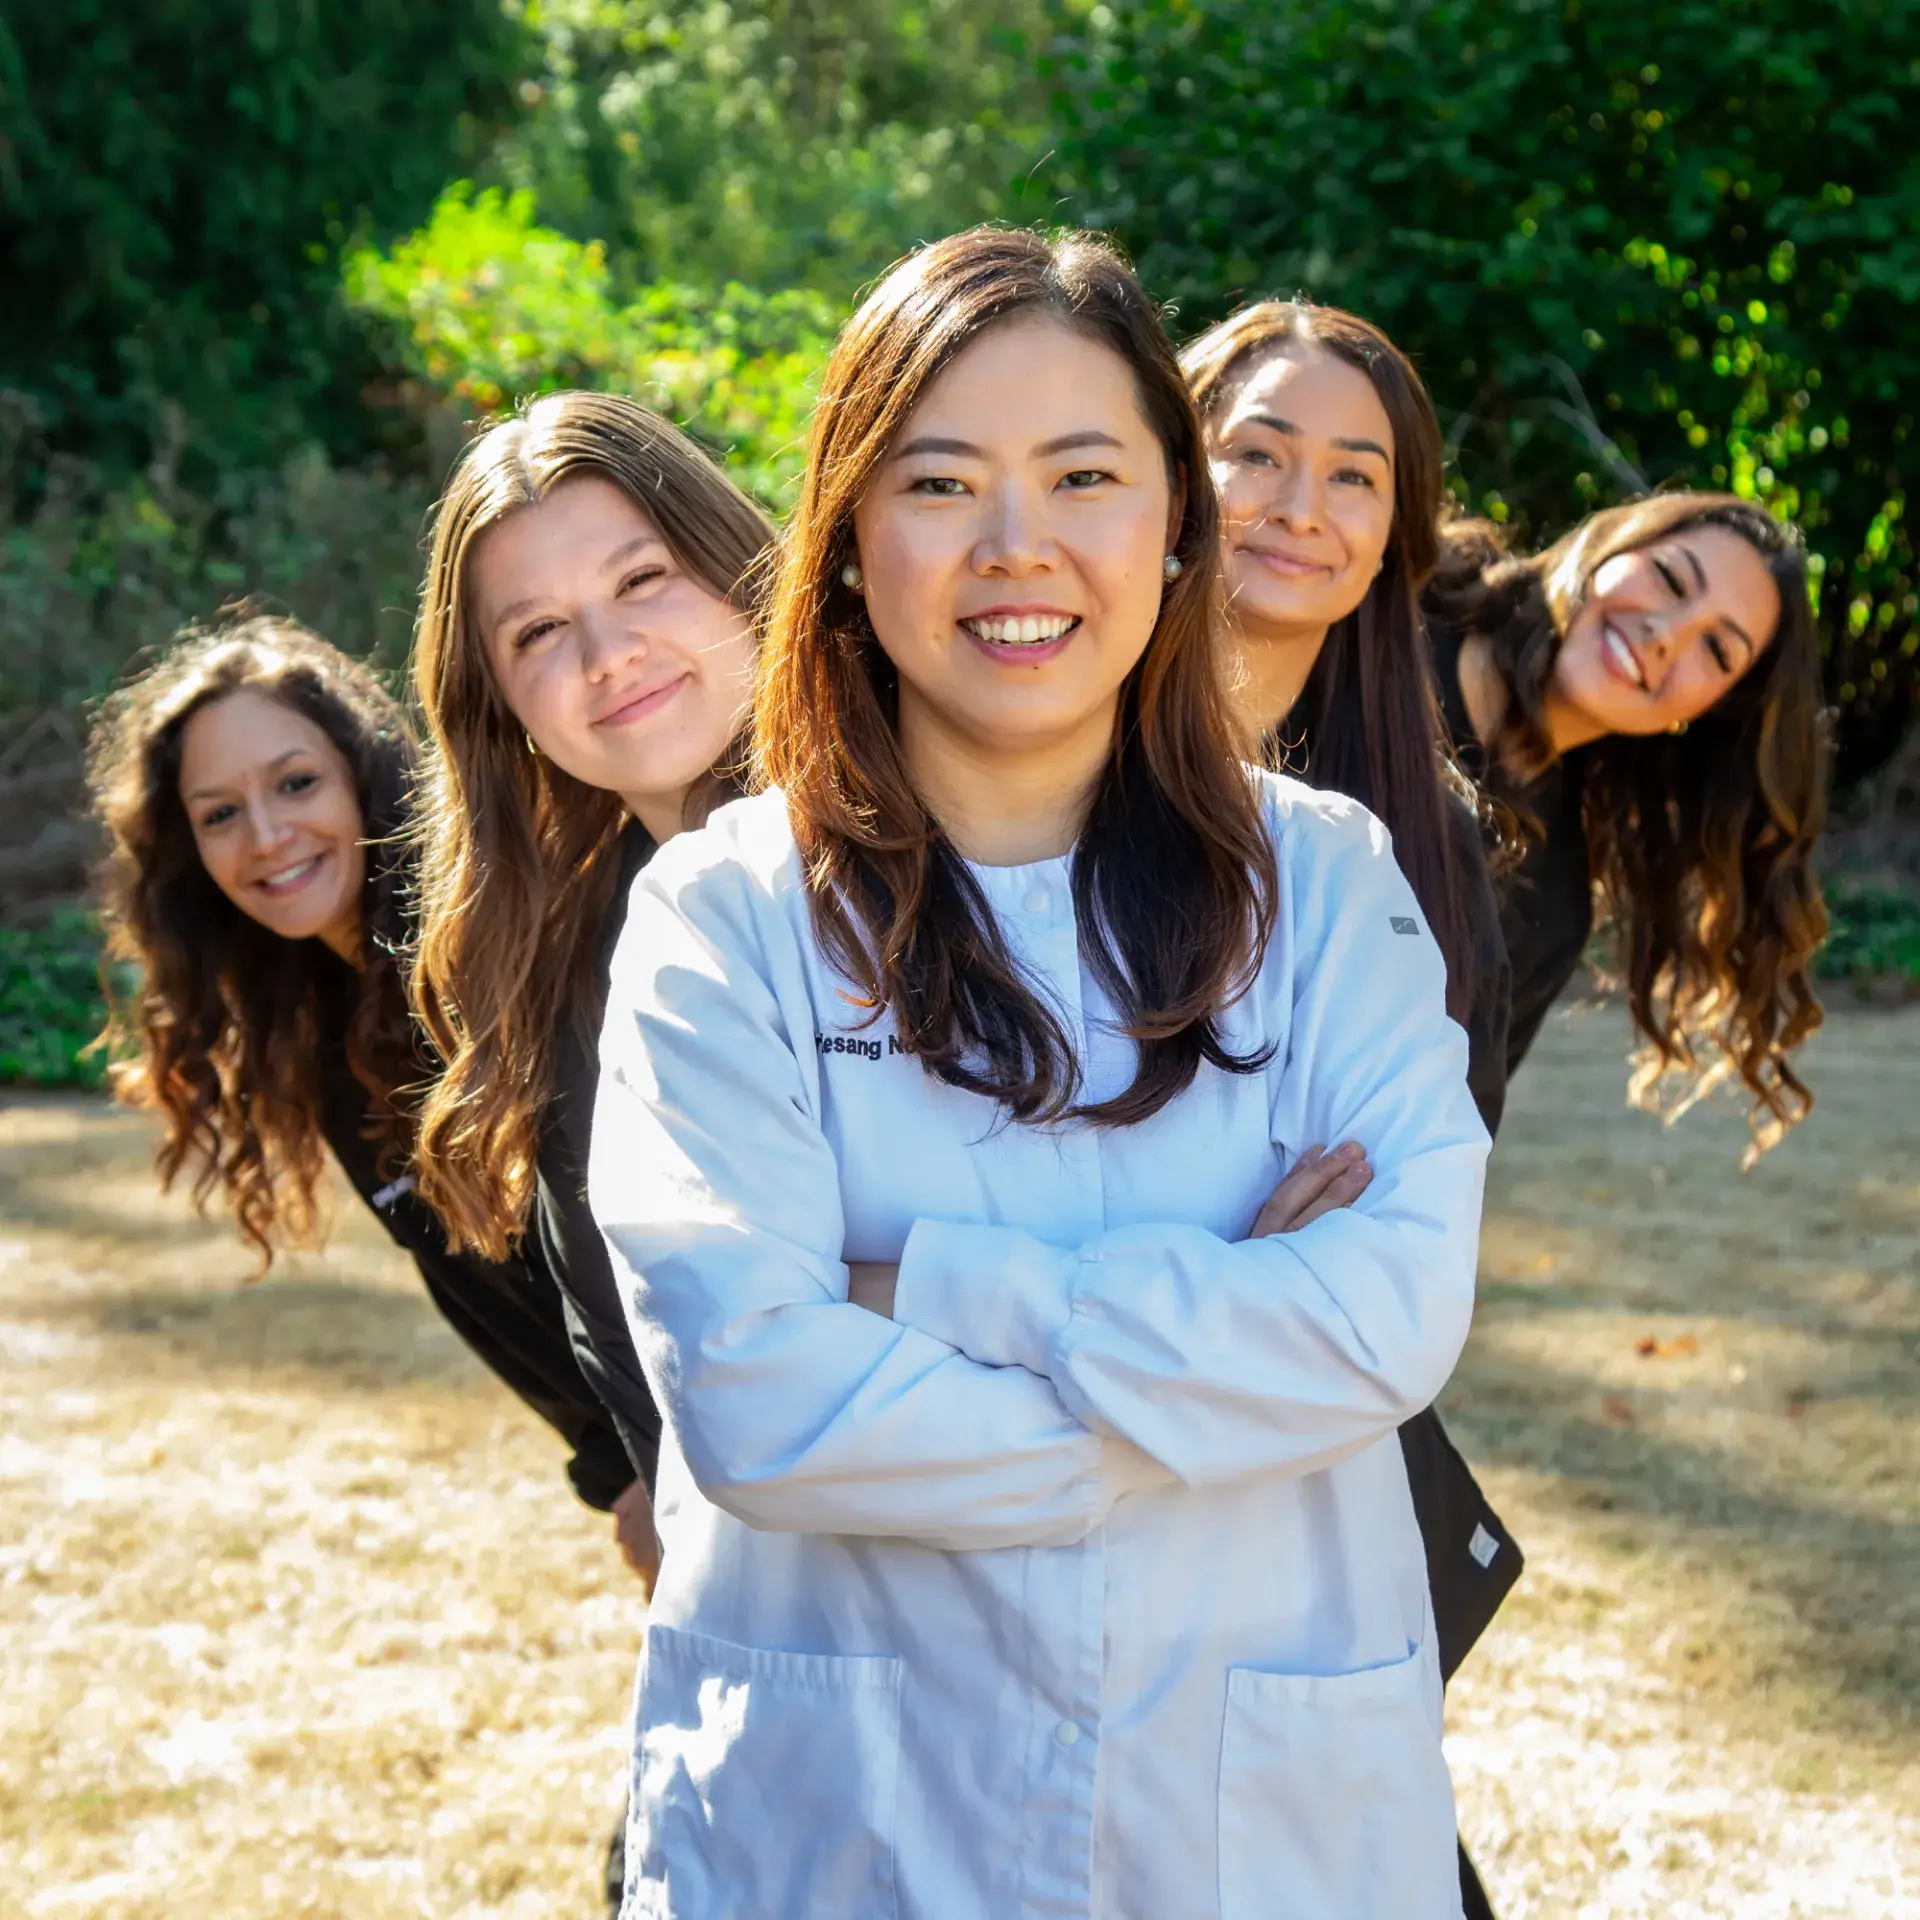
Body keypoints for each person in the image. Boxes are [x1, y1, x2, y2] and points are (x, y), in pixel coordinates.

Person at [589, 227, 1490, 1919]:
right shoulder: (723, 916)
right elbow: (763, 1407)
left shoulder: (1329, 884)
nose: (1020, 548)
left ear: (1171, 528)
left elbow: (1390, 1318)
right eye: (941, 482)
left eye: (1084, 475)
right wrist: (1227, 1361)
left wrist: (924, 1285)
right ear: (850, 539)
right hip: (848, 1811)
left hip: (1253, 1821)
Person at [400, 390, 775, 1913]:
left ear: (743, 567)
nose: (608, 651)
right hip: (745, 1615)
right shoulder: (561, 950)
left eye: (642, 581)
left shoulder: (946, 850)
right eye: (537, 633)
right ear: (497, 702)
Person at [1185, 298, 1520, 1920]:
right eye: (1256, 452)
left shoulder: (1418, 840)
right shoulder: (1027, 760)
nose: (1300, 507)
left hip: (1320, 1463)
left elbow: (1398, 1213)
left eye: (1354, 476)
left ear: (1399, 535)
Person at [86, 618, 651, 1556]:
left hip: (722, 1444)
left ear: (361, 773)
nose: (266, 836)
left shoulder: (484, 957)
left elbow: (615, 1234)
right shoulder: (326, 1030)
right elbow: (482, 1293)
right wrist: (617, 1473)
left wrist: (656, 1468)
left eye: (296, 783)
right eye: (219, 813)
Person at [1425, 495, 1829, 1155]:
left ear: (1706, 712)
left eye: (1717, 650)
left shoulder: (1548, 901)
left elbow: (1435, 1150)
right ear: (1611, 545)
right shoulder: (1383, 616)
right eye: (1670, 580)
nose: (1668, 633)